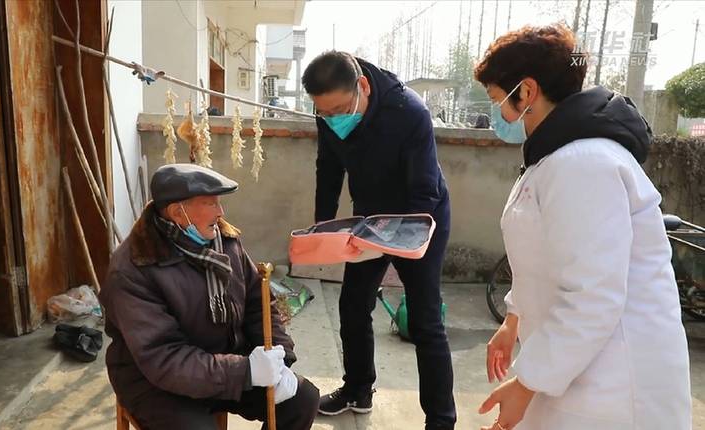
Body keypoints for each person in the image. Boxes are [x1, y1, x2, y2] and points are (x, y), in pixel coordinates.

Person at [473, 24, 691, 430]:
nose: (499, 114)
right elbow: (545, 260)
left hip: (614, 383)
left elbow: (593, 295)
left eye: (498, 99)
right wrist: (513, 319)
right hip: (580, 367)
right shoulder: (557, 158)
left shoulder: (582, 164)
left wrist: (526, 384)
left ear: (526, 91)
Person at [99, 164, 320, 430]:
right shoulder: (134, 268)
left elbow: (258, 304)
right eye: (211, 203)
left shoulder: (224, 241)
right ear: (177, 212)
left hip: (224, 363)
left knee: (303, 399)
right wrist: (246, 371)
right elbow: (163, 357)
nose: (220, 212)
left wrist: (279, 360)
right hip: (155, 382)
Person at [302, 51, 456, 430]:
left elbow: (423, 190)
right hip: (370, 218)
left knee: (424, 321)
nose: (333, 119)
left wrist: (405, 239)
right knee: (353, 304)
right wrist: (324, 227)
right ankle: (357, 390)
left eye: (339, 110)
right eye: (324, 113)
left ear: (363, 87)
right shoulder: (329, 114)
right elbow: (329, 168)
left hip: (420, 215)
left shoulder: (409, 112)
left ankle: (441, 421)